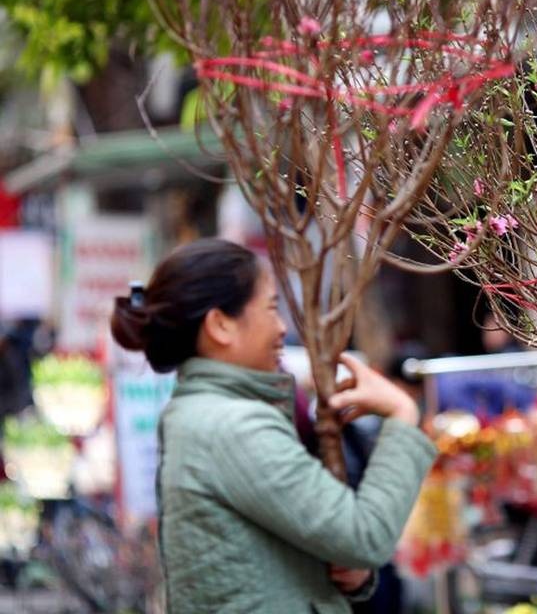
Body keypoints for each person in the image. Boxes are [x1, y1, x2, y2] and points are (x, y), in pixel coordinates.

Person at [110, 238, 436, 614]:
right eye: (270, 308)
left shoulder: (209, 415)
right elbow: (362, 535)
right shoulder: (230, 425)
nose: (282, 328)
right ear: (220, 325)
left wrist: (344, 568)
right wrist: (402, 414)